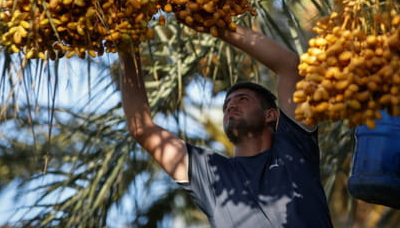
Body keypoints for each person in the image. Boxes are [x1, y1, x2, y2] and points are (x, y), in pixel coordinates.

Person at [118, 25, 333, 227]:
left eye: (242, 100)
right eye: (226, 105)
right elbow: (142, 129)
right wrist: (126, 45)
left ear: (270, 115)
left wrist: (217, 26)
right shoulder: (212, 174)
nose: (230, 107)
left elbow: (289, 66)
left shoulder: (294, 147)